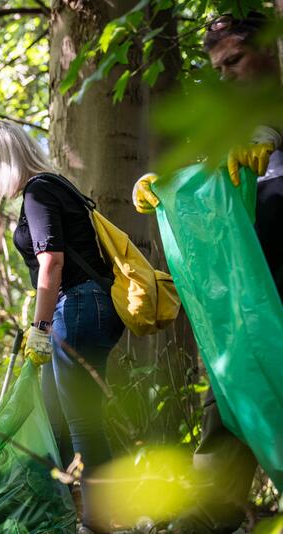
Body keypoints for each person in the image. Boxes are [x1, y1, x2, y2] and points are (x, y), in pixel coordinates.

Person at [132, 12, 281, 533]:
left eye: (235, 60)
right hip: (247, 317)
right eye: (217, 70)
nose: (226, 77)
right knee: (226, 418)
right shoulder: (231, 130)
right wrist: (173, 191)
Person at [0, 120, 125, 534]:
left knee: (80, 423)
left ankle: (99, 521)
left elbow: (51, 264)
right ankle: (71, 511)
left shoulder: (39, 192)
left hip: (78, 309)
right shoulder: (54, 186)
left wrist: (39, 327)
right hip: (85, 307)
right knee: (61, 418)